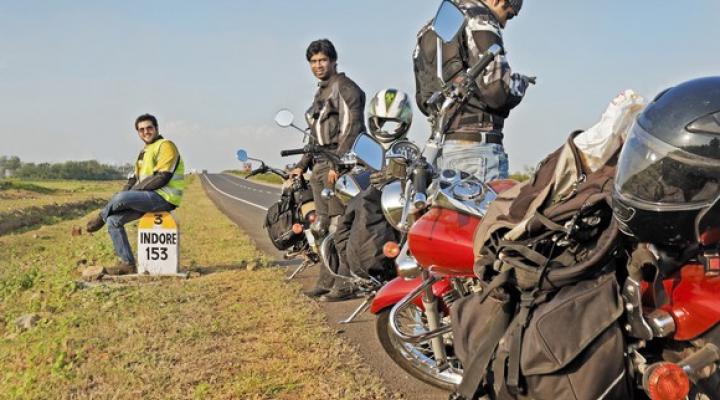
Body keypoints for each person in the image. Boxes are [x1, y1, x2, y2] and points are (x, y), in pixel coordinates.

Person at [414, 0, 530, 182]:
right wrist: (521, 83)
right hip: (477, 152)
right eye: (508, 14)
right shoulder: (480, 18)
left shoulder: (429, 28)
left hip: (440, 151)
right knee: (492, 211)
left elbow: (424, 99)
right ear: (496, 0)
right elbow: (496, 91)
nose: (504, 24)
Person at [319, 89, 414, 302]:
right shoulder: (365, 146)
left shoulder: (409, 149)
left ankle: (355, 279)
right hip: (376, 195)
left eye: (393, 122)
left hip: (399, 201)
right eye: (382, 122)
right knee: (348, 217)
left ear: (405, 122)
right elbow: (352, 159)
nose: (386, 128)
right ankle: (347, 280)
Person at [290, 39, 367, 298]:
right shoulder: (322, 91)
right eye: (313, 61)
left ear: (334, 61)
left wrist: (339, 164)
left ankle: (346, 283)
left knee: (339, 226)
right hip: (320, 166)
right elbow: (315, 135)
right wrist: (301, 166)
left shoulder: (345, 88)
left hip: (338, 165)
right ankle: (327, 279)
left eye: (323, 60)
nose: (318, 65)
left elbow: (352, 127)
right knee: (321, 226)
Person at [86, 114, 185, 274]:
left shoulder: (166, 145)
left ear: (157, 128)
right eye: (141, 129)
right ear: (138, 133)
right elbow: (133, 179)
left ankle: (101, 216)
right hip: (144, 199)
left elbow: (162, 177)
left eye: (149, 128)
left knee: (121, 198)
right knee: (114, 220)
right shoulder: (144, 152)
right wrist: (128, 195)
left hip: (163, 198)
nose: (146, 132)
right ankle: (127, 264)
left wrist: (127, 197)